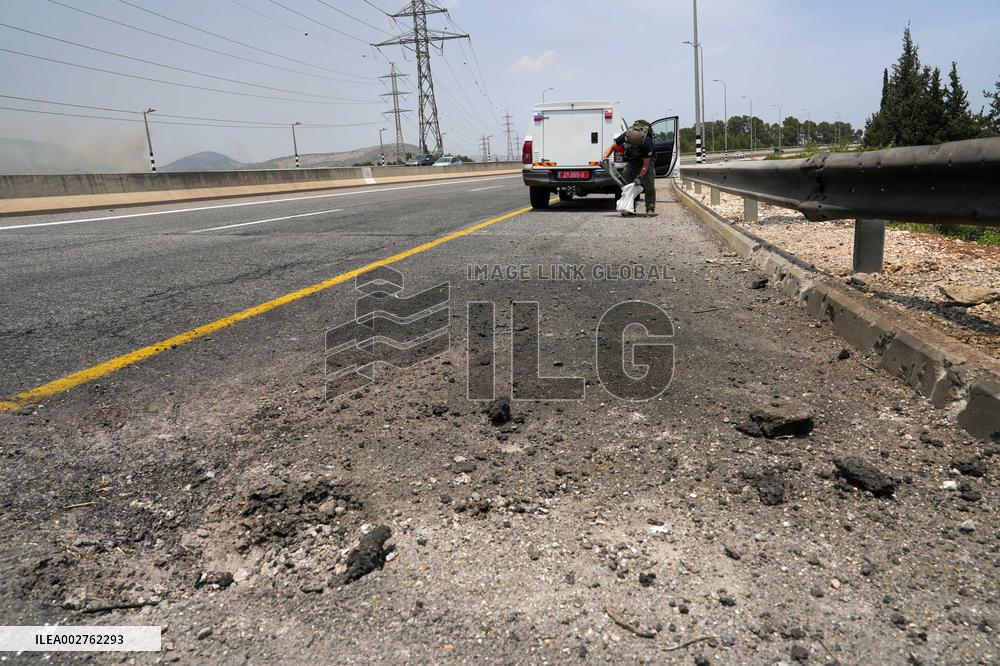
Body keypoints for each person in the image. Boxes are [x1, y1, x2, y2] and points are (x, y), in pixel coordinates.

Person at [602, 119, 655, 216]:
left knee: (649, 183)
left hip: (646, 161)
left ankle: (650, 208)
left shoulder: (647, 143)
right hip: (632, 161)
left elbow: (645, 166)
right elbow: (612, 147)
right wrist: (605, 157)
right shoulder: (626, 135)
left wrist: (639, 177)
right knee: (625, 182)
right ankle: (629, 207)